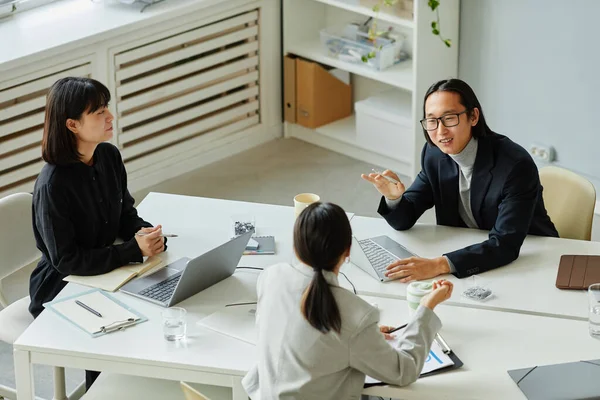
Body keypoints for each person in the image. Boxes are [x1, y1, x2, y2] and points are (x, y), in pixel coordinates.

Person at [29, 77, 166, 388]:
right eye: (100, 111)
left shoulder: (108, 156)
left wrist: (146, 234)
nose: (110, 117)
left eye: (108, 108)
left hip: (105, 272)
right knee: (115, 336)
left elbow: (123, 216)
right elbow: (67, 260)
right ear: (73, 125)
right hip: (61, 287)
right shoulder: (53, 185)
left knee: (164, 301)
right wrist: (133, 251)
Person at [242, 202, 453, 399]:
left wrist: (356, 338)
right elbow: (403, 371)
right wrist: (426, 307)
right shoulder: (355, 314)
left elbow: (300, 331)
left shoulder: (271, 276)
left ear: (296, 247)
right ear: (348, 251)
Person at [362, 78, 558, 281]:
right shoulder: (434, 154)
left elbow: (505, 244)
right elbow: (404, 219)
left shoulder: (515, 165)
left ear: (473, 116)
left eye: (449, 118)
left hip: (533, 255)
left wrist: (438, 265)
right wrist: (394, 199)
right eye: (432, 120)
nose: (440, 131)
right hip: (471, 252)